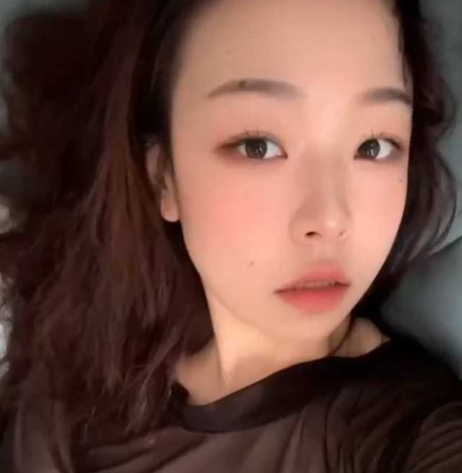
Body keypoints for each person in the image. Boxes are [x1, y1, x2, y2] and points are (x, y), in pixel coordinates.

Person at [0, 0, 460, 471]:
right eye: (258, 146)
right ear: (163, 178)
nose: (330, 218)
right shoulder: (76, 378)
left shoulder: (407, 425)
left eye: (374, 146)